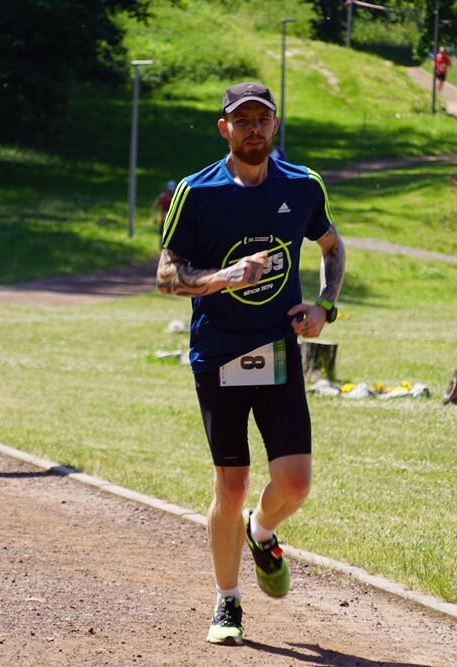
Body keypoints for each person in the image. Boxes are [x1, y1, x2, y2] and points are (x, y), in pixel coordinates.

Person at [156, 82, 345, 646]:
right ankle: (227, 603)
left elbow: (332, 248)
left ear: (275, 125)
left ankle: (263, 534)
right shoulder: (197, 192)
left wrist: (324, 306)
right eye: (243, 120)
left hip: (278, 350)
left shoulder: (303, 185)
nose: (254, 129)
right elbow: (167, 275)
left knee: (296, 483)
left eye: (263, 119)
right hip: (218, 352)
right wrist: (221, 277)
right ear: (225, 129)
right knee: (231, 484)